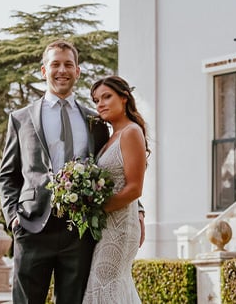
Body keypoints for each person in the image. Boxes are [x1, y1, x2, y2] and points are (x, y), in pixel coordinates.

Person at [0, 39, 114, 303]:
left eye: (68, 65)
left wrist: (138, 209)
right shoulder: (20, 118)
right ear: (43, 70)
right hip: (32, 225)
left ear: (77, 71)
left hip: (79, 230)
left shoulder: (95, 121)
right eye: (55, 64)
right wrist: (13, 217)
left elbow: (111, 169)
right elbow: (7, 175)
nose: (62, 70)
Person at [83, 75, 149, 304]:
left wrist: (95, 210)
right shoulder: (111, 138)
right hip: (106, 227)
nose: (100, 104)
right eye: (96, 100)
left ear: (124, 98)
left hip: (120, 229)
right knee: (107, 288)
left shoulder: (131, 132)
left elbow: (134, 188)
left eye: (107, 97)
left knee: (104, 286)